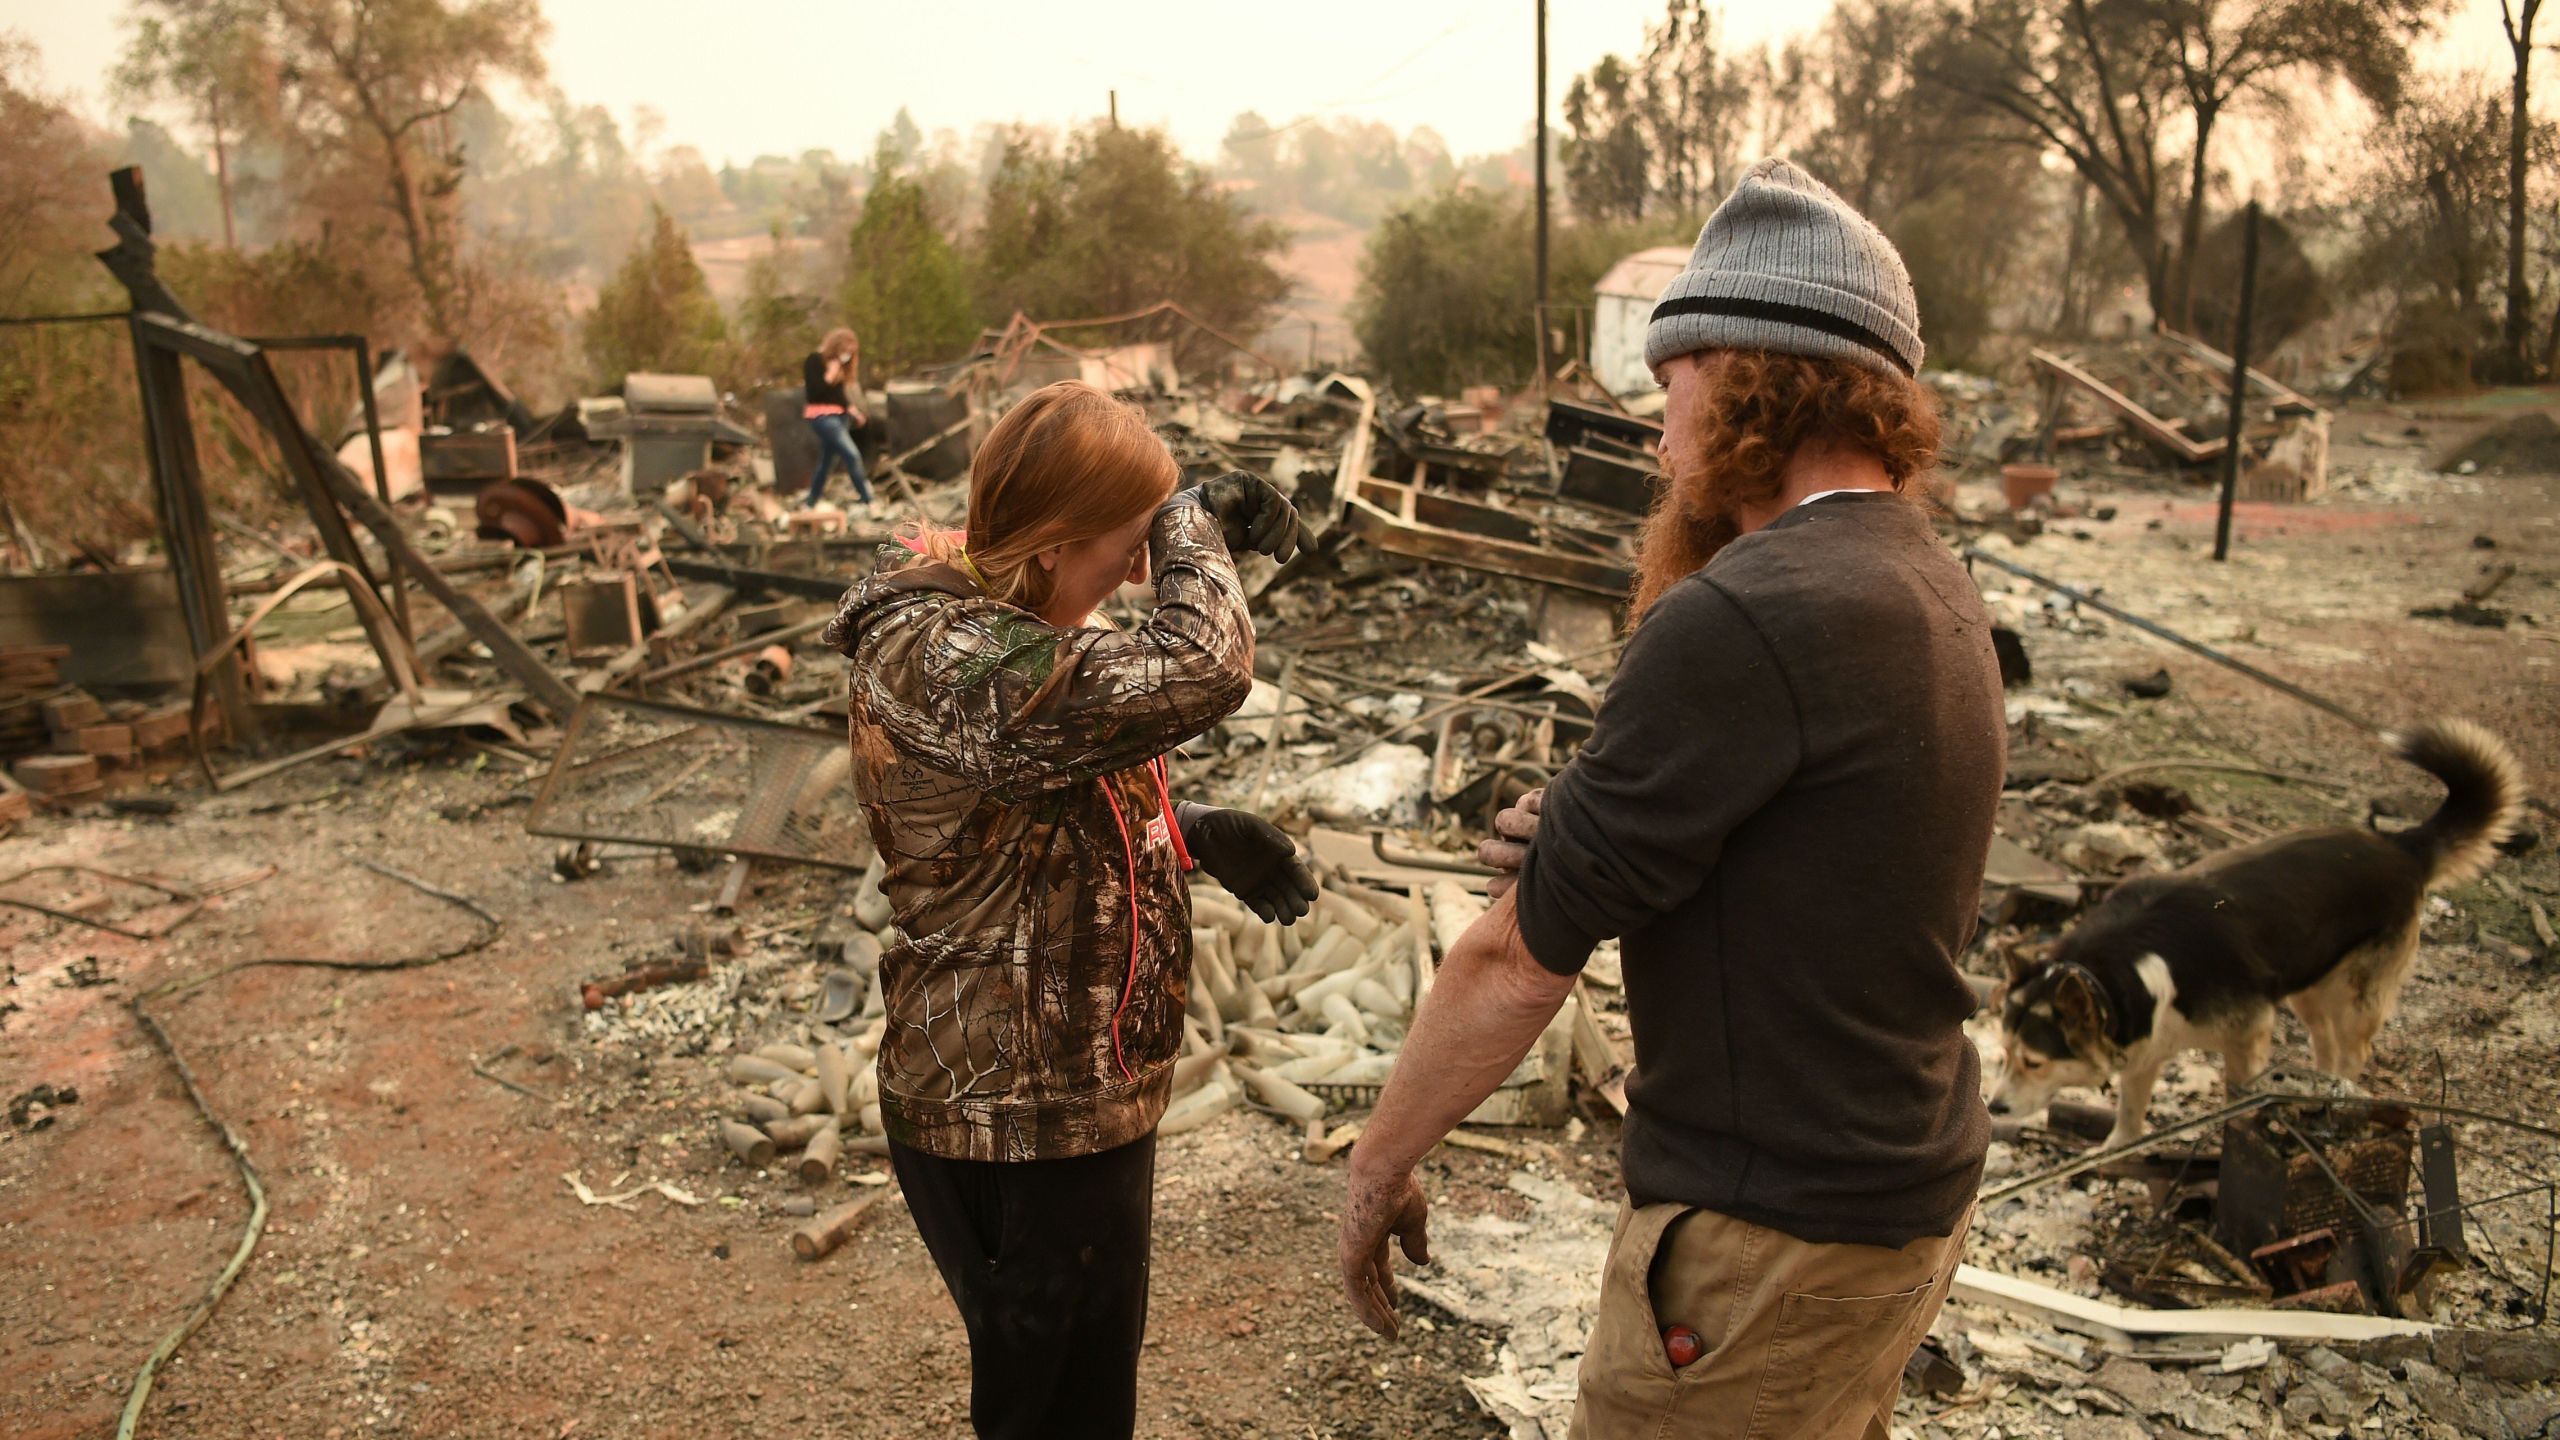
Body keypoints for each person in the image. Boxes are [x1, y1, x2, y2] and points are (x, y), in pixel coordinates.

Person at [1336, 159, 2006, 1440]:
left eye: (1670, 384)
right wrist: (1597, 824)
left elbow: (1512, 965)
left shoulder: (1747, 613)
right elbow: (1829, 856)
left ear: (1755, 375)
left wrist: (1378, 1165)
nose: (1658, 433)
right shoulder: (1918, 575)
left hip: (1771, 1241)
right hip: (1890, 1196)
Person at [823, 381, 1318, 1440]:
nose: (1142, 571)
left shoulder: (1006, 633)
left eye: (1152, 545)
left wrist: (1182, 835)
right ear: (1051, 544)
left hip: (1074, 1105)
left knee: (1087, 1404)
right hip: (1012, 1118)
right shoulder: (944, 654)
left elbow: (1011, 828)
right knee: (1054, 1416)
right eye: (1130, 543)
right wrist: (1191, 520)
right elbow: (1200, 667)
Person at [803, 327, 876, 513]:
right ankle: (869, 500)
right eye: (845, 351)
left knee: (826, 463)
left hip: (840, 417)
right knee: (852, 455)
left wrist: (854, 412)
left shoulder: (842, 369)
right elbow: (814, 392)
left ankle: (810, 502)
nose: (847, 356)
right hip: (823, 418)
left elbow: (838, 397)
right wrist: (830, 373)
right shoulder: (814, 361)